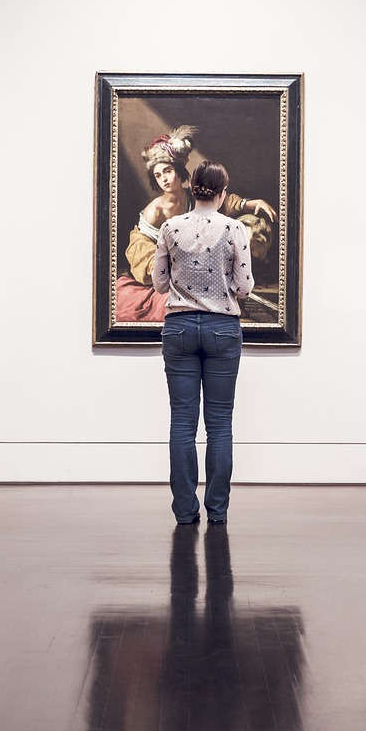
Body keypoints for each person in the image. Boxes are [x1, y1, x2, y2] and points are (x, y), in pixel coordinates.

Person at [153, 161, 254, 525]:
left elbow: (160, 283)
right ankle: (217, 511)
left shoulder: (169, 227)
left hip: (178, 328)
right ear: (223, 192)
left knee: (182, 422)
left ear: (193, 188)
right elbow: (243, 287)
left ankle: (184, 512)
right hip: (222, 329)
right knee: (219, 424)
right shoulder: (234, 228)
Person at [116, 127, 274, 322]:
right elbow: (140, 249)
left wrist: (250, 203)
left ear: (179, 170)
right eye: (158, 175)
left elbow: (221, 203)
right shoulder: (154, 211)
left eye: (167, 171)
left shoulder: (192, 196)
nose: (164, 179)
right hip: (164, 276)